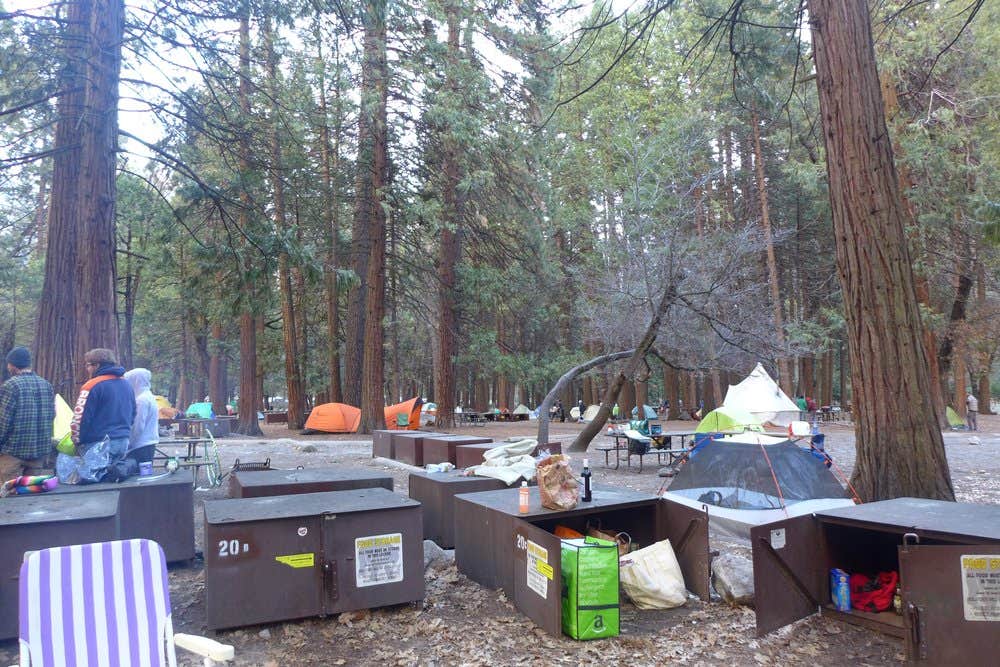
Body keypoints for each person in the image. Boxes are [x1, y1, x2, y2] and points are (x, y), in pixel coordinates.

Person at [0, 347, 55, 481]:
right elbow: (52, 415)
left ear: (13, 365)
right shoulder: (46, 384)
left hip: (13, 451)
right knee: (30, 494)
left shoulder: (10, 385)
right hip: (39, 451)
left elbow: (3, 421)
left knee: (5, 491)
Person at [70, 348, 136, 460]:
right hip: (122, 442)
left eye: (88, 365)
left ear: (96, 365)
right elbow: (133, 413)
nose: (87, 369)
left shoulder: (91, 386)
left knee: (92, 477)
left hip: (98, 444)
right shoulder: (127, 385)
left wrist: (76, 440)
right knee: (114, 476)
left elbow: (80, 419)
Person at [124, 368, 158, 463]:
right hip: (147, 444)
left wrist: (129, 442)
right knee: (144, 473)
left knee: (137, 475)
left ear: (135, 381)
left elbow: (138, 426)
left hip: (140, 445)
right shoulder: (148, 396)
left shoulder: (141, 400)